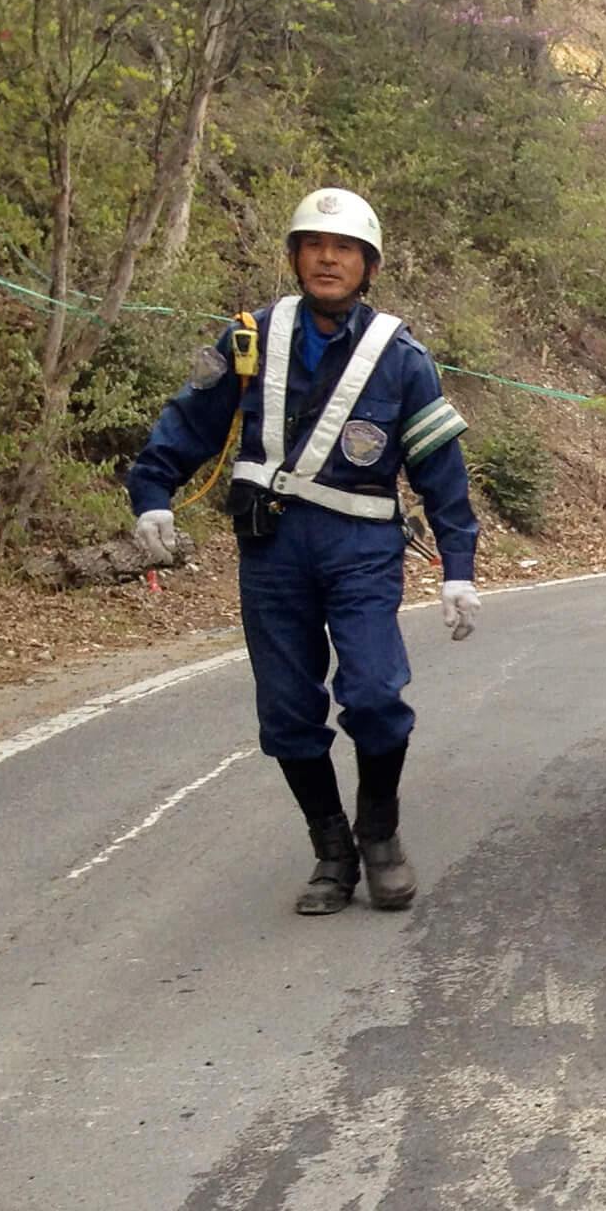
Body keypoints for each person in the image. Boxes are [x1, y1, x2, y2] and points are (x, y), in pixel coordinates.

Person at [125, 187, 484, 914]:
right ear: (295, 257)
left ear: (368, 266)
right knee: (287, 711)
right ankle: (332, 854)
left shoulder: (402, 359)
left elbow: (441, 472)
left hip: (361, 550)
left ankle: (379, 834)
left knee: (377, 695)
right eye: (315, 246)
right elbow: (190, 418)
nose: (328, 259)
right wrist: (153, 490)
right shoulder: (248, 339)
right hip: (272, 551)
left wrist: (459, 568)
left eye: (345, 249)